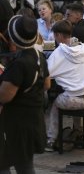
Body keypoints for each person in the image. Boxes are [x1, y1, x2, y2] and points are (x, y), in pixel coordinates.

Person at [0, 15, 51, 173]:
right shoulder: (39, 57)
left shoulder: (19, 64)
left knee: (4, 164)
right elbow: (47, 85)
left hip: (16, 124)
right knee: (24, 165)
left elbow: (4, 96)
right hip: (33, 119)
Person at [45, 20, 84, 151]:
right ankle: (78, 133)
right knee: (75, 92)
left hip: (73, 101)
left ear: (58, 35)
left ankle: (51, 140)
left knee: (56, 104)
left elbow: (47, 73)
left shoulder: (59, 52)